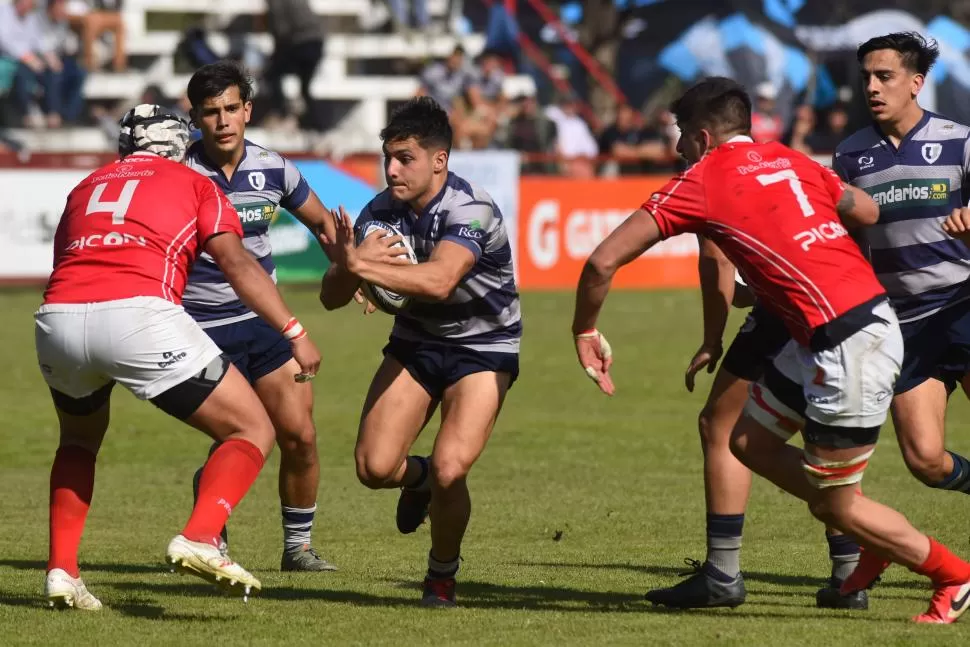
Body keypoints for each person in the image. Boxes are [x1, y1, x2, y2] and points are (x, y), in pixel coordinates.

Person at [573, 76, 970, 624]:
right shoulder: (790, 159)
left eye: (683, 135)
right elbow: (865, 212)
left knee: (834, 504)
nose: (678, 148)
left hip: (850, 343)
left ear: (705, 137)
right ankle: (866, 530)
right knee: (746, 440)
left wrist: (584, 331)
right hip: (841, 325)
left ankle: (952, 575)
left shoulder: (701, 178)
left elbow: (600, 261)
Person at [35, 104, 321, 610]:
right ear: (179, 146)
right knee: (252, 429)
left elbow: (65, 259)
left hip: (58, 318)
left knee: (78, 441)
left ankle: (62, 570)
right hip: (138, 314)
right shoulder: (195, 182)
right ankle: (202, 535)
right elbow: (237, 263)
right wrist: (293, 330)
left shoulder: (85, 186)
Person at [320, 96, 521, 607]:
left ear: (439, 160)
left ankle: (441, 576)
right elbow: (330, 297)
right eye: (387, 157)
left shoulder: (471, 207)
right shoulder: (379, 211)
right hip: (417, 343)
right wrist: (347, 267)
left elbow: (439, 280)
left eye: (404, 158)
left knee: (455, 468)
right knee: (373, 469)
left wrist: (365, 269)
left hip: (484, 346)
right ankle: (421, 481)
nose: (391, 169)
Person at [645, 244, 866, 611]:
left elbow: (717, 256)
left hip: (788, 305)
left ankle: (722, 572)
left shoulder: (715, 182)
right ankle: (849, 573)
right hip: (844, 300)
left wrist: (711, 339)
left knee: (721, 424)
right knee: (821, 435)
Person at [182, 61, 338, 572]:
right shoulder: (180, 173)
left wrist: (356, 275)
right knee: (239, 435)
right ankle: (210, 529)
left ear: (247, 110)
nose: (223, 120)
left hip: (265, 323)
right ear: (196, 118)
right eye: (211, 112)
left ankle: (298, 549)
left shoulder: (274, 168)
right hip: (199, 327)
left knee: (301, 435)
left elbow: (323, 225)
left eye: (231, 108)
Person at [832, 32, 970, 591]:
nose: (871, 86)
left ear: (916, 83)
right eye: (866, 76)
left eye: (884, 76)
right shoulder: (848, 155)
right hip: (903, 321)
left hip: (964, 299)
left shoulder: (959, 141)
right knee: (925, 460)